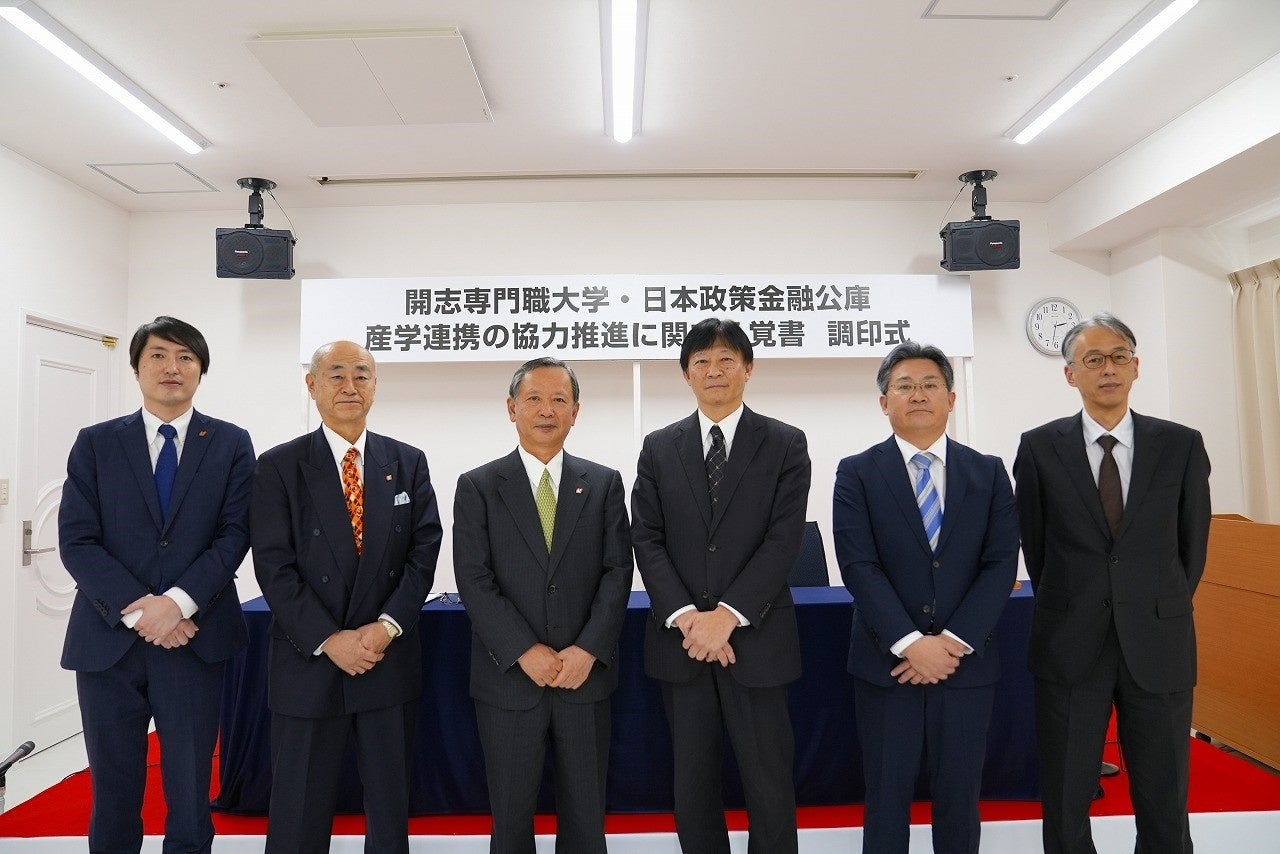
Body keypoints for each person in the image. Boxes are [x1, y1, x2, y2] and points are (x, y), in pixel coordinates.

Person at [1014, 313, 1211, 854]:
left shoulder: (1180, 445)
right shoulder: (1039, 447)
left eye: (1119, 357)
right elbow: (1036, 545)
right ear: (1070, 374)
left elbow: (1192, 546)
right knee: (1066, 792)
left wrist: (1156, 602)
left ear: (1136, 367)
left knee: (1164, 792)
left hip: (1158, 638)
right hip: (1070, 640)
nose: (1108, 369)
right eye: (1093, 359)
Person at [59, 316, 254, 853]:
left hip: (196, 638)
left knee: (190, 787)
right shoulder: (96, 443)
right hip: (109, 642)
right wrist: (141, 609)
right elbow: (77, 540)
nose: (173, 367)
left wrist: (179, 604)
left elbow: (235, 534)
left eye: (186, 357)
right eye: (159, 356)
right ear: (137, 368)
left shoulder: (231, 443)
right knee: (113, 783)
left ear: (201, 370)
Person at [251, 340, 442, 854]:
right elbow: (273, 565)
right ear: (312, 385)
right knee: (299, 810)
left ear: (375, 386)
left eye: (362, 374)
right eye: (336, 374)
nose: (350, 386)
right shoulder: (279, 466)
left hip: (386, 656)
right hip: (309, 660)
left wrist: (386, 626)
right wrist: (328, 638)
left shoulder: (407, 462)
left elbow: (424, 551)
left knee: (389, 807)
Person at [631, 317, 811, 854]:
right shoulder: (659, 447)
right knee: (692, 784)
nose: (714, 371)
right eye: (702, 362)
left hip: (757, 640)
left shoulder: (784, 443)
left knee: (770, 784)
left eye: (727, 360)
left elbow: (783, 540)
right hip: (682, 644)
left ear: (748, 369)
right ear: (686, 374)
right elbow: (646, 537)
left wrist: (727, 616)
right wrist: (689, 618)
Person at [832, 341, 1019, 853]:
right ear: (884, 402)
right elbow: (858, 565)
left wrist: (951, 643)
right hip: (886, 665)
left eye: (930, 384)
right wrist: (911, 643)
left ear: (951, 399)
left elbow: (1001, 563)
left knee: (959, 798)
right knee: (886, 798)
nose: (918, 395)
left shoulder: (988, 471)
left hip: (966, 667)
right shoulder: (856, 472)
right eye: (904, 386)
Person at [453, 357, 632, 854]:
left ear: (576, 411)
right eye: (534, 399)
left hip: (583, 677)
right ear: (512, 409)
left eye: (559, 399)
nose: (547, 410)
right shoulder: (478, 486)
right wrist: (523, 650)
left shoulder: (603, 483)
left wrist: (588, 650)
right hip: (509, 681)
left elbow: (618, 572)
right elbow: (474, 579)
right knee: (511, 822)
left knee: (586, 820)